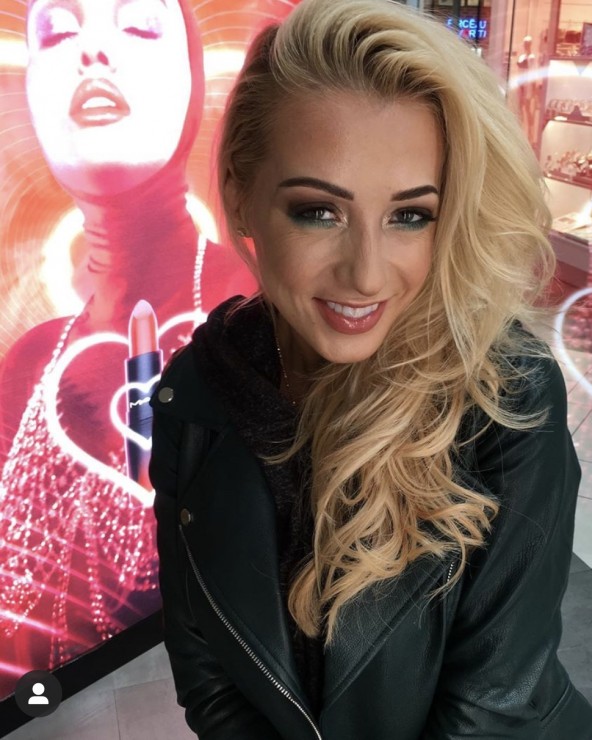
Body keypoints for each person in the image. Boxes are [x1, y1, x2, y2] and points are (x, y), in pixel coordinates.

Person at [149, 0, 592, 738]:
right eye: (318, 211)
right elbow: (209, 679)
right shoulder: (197, 392)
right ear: (239, 195)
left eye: (409, 215)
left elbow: (491, 712)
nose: (365, 274)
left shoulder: (504, 396)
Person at [0, 0, 283, 697]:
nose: (92, 53)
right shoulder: (29, 364)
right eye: (57, 31)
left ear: (194, 79)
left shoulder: (265, 310)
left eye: (137, 24)